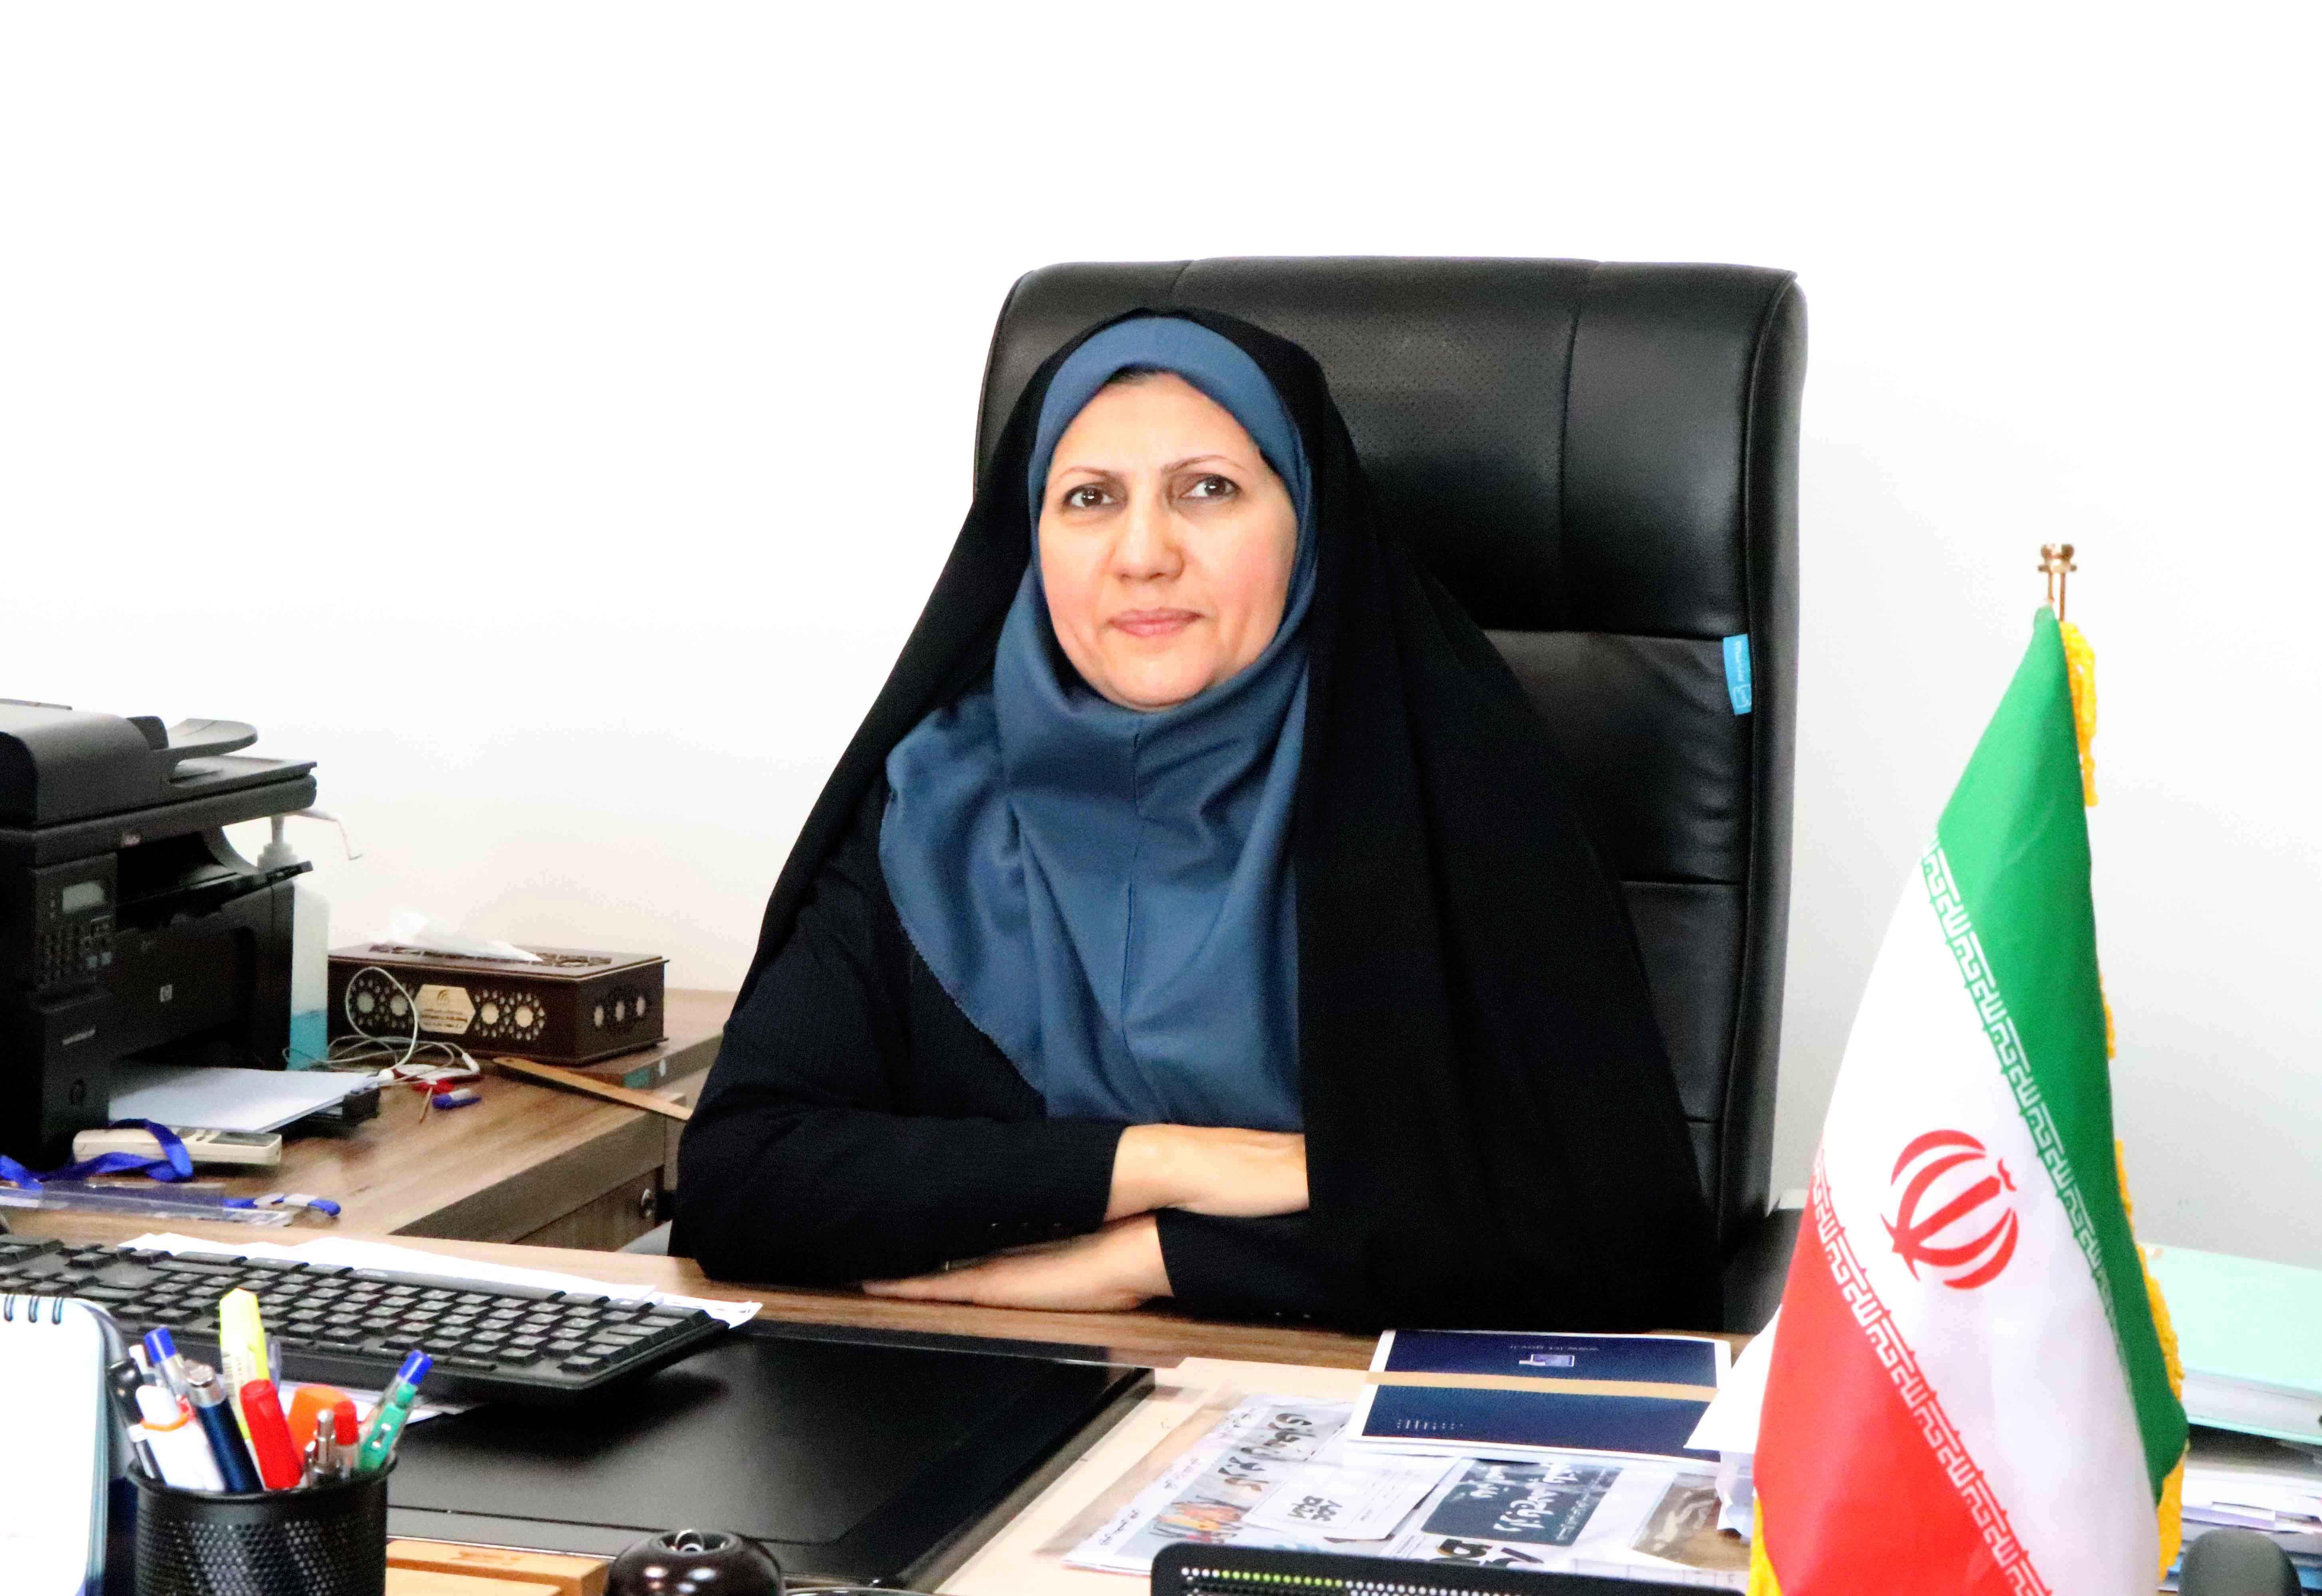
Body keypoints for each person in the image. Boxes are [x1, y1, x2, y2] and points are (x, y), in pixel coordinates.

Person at [673, 311, 1717, 1330]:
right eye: (1089, 498)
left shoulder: (1451, 780)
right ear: (1029, 540)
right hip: (1012, 1386)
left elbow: (1608, 1241)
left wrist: (1152, 1258)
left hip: (1364, 1397)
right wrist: (1174, 1163)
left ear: (1307, 522)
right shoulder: (935, 803)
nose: (1142, 554)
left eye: (1207, 490)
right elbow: (743, 1180)